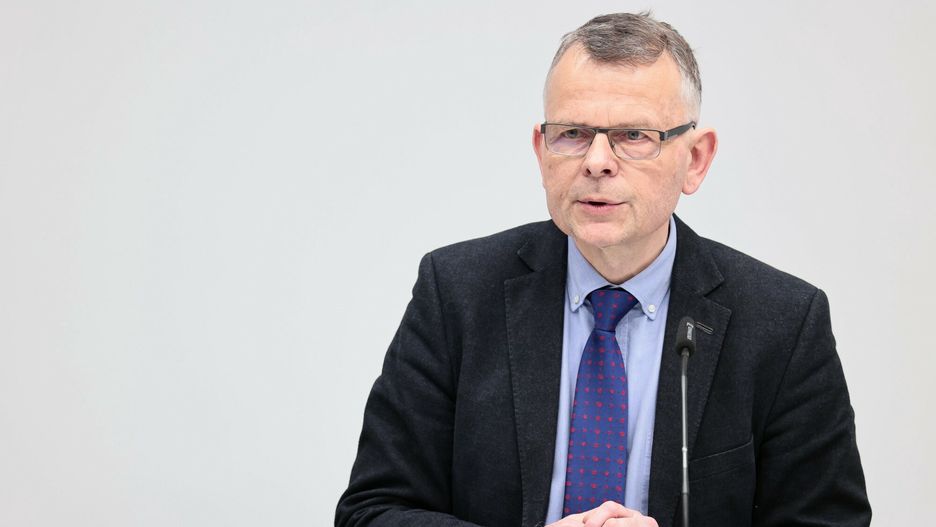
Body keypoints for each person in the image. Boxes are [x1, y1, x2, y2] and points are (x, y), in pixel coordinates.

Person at [335, 12, 871, 527]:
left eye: (633, 135)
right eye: (572, 133)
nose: (596, 161)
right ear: (541, 151)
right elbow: (371, 511)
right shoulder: (456, 293)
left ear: (696, 159)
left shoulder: (782, 323)